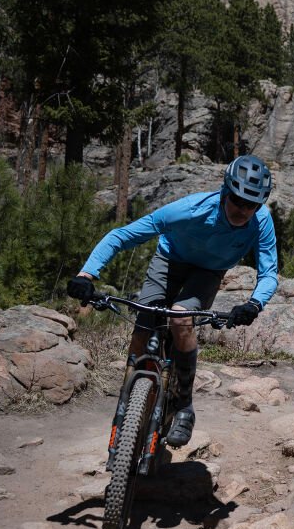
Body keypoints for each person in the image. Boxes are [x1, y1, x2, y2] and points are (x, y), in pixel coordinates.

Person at [67, 154, 278, 447]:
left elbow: (268, 273)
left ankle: (183, 406)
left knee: (180, 318)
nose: (243, 209)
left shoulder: (261, 222)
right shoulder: (190, 210)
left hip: (208, 272)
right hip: (169, 261)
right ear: (225, 191)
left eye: (251, 204)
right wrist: (87, 275)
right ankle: (130, 399)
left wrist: (254, 304)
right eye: (238, 200)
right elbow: (122, 236)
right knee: (143, 328)